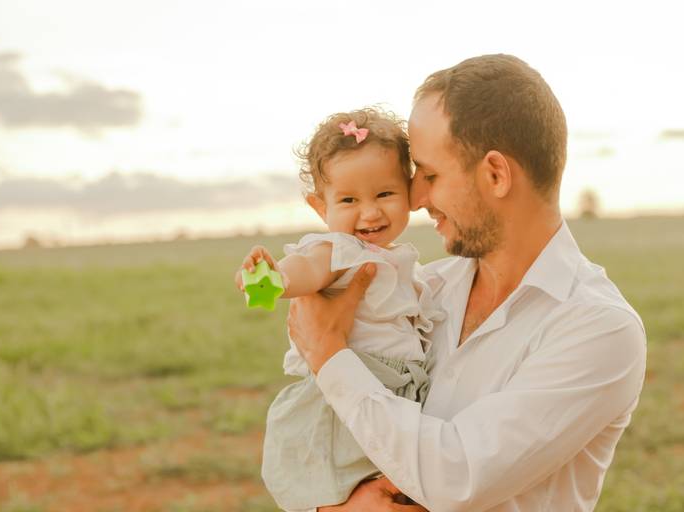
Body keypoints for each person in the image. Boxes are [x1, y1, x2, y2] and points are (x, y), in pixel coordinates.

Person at [287, 54, 647, 511]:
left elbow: (456, 478)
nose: (415, 199)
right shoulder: (422, 288)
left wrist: (329, 355)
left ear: (496, 174)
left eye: (430, 175)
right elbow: (321, 433)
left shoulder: (599, 328)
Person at [235, 107, 444, 511]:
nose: (369, 212)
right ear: (320, 206)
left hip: (390, 391)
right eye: (348, 200)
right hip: (349, 389)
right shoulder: (339, 249)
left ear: (412, 192)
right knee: (346, 486)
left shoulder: (405, 263)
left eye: (385, 194)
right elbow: (309, 269)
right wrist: (274, 277)